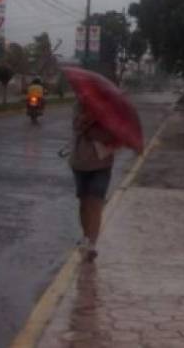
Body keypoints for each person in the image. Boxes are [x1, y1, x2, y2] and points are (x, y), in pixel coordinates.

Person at [69, 102, 117, 261]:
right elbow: (76, 125)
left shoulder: (109, 110)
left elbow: (111, 136)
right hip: (80, 162)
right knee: (84, 203)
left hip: (102, 163)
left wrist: (95, 126)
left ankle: (92, 245)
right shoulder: (79, 106)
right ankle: (86, 236)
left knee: (95, 203)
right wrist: (89, 119)